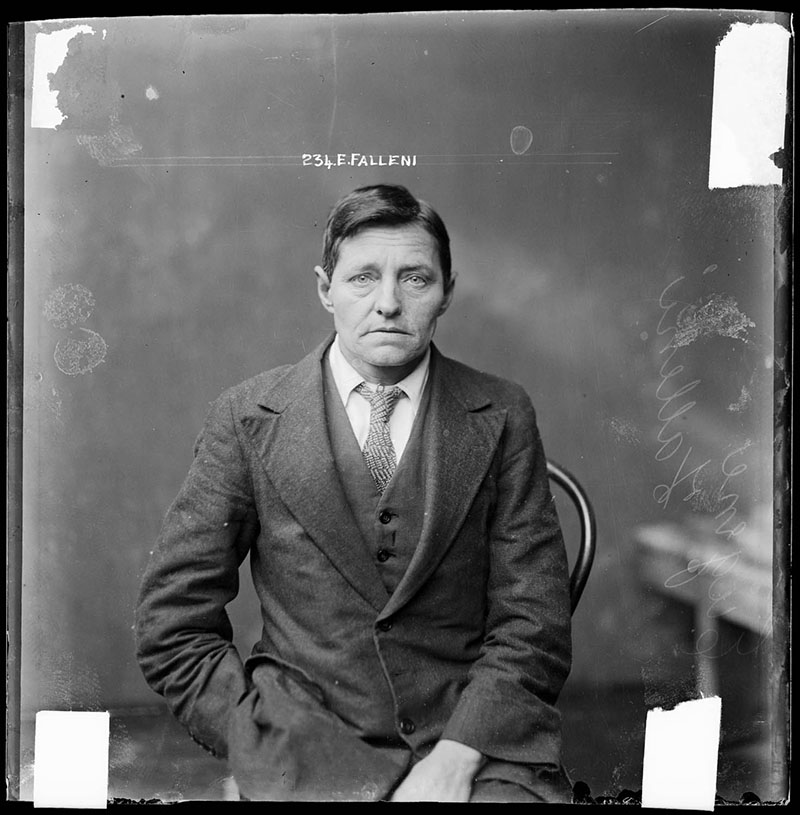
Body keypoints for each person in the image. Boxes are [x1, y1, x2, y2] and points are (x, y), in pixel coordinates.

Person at [134, 184, 573, 802]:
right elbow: (171, 623)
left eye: (415, 279)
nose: (388, 303)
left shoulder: (501, 414)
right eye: (364, 278)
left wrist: (457, 756)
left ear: (448, 291)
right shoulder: (247, 418)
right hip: (300, 741)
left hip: (470, 741)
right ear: (325, 289)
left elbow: (535, 622)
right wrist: (257, 736)